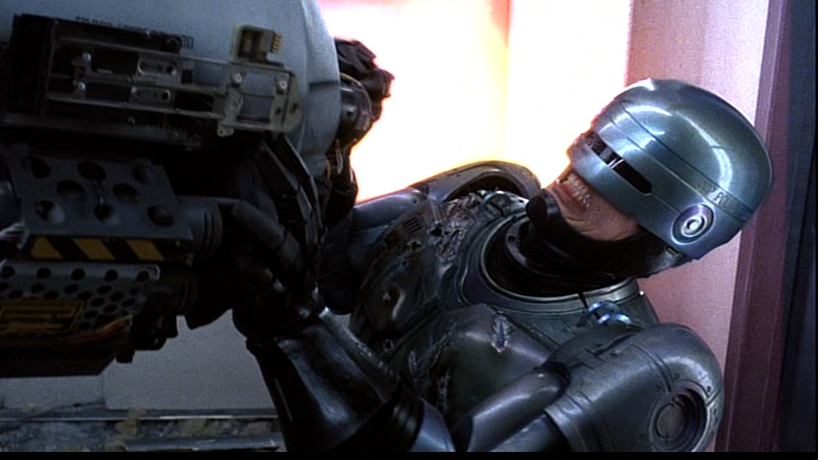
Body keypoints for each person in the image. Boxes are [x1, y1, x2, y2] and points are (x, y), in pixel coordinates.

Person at [226, 78, 773, 451]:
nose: (582, 175)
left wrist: (296, 326)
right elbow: (323, 263)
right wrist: (326, 146)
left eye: (626, 177)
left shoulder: (640, 366)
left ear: (675, 228)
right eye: (595, 146)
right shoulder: (481, 196)